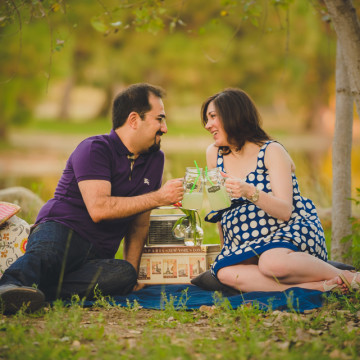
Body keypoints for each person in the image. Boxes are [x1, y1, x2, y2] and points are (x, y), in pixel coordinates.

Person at [0, 83, 184, 314]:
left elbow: (139, 223)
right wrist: (158, 197)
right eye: (159, 119)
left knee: (123, 274)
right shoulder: (94, 148)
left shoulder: (154, 160)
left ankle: (33, 290)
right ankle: (10, 285)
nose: (165, 128)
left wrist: (133, 274)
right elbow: (99, 209)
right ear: (134, 119)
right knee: (48, 255)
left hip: (98, 254)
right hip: (63, 230)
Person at [201, 88, 359, 294]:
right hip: (245, 243)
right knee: (225, 273)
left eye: (213, 117)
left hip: (288, 234)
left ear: (233, 115)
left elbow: (285, 211)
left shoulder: (271, 151)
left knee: (271, 263)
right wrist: (226, 251)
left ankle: (348, 277)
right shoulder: (214, 154)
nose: (207, 125)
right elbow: (221, 210)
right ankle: (318, 286)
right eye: (207, 119)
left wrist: (249, 191)